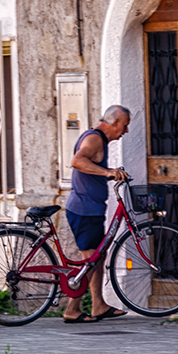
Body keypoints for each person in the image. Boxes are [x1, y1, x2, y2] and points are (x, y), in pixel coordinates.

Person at [63, 104, 131, 322]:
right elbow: (77, 161)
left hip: (91, 208)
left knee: (97, 258)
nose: (126, 131)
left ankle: (98, 305)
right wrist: (108, 172)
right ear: (115, 122)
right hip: (84, 209)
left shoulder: (99, 139)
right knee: (90, 260)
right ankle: (72, 309)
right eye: (125, 125)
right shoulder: (94, 139)